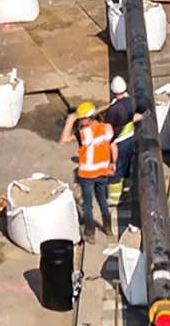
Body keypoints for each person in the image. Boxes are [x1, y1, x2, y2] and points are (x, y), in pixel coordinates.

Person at [61, 101, 115, 237]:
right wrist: (113, 163)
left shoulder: (84, 134)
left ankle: (90, 231)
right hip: (102, 172)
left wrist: (70, 122)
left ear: (87, 118)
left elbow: (64, 140)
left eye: (80, 119)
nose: (79, 121)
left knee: (87, 204)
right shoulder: (107, 128)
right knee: (102, 200)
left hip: (87, 175)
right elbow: (113, 146)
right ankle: (107, 227)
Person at [99, 76, 138, 203]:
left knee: (115, 168)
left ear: (112, 90)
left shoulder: (113, 109)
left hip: (118, 142)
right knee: (126, 167)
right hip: (130, 138)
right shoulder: (131, 101)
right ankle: (126, 193)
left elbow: (108, 128)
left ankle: (114, 199)